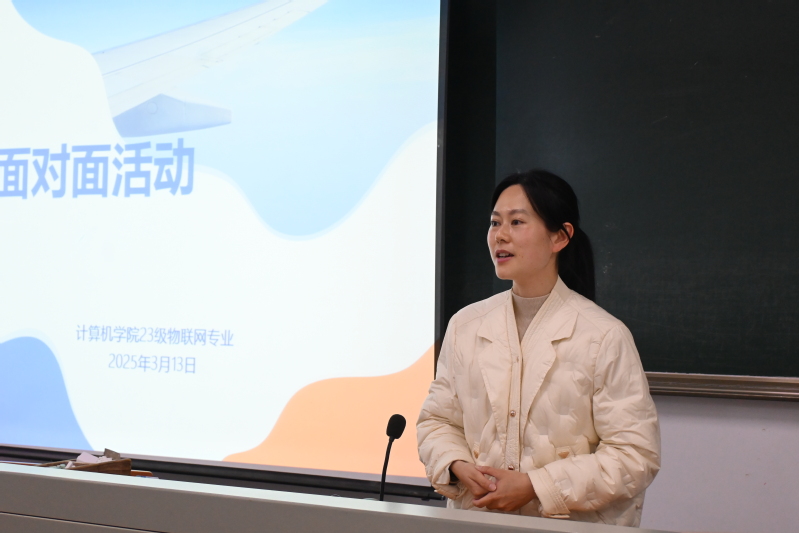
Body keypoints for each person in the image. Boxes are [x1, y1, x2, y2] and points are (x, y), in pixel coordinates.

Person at [417, 170, 660, 527]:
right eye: (495, 223)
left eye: (517, 222)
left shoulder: (604, 335)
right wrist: (456, 464)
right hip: (478, 522)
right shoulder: (465, 326)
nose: (500, 235)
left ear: (560, 236)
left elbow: (635, 455)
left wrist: (536, 486)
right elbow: (437, 421)